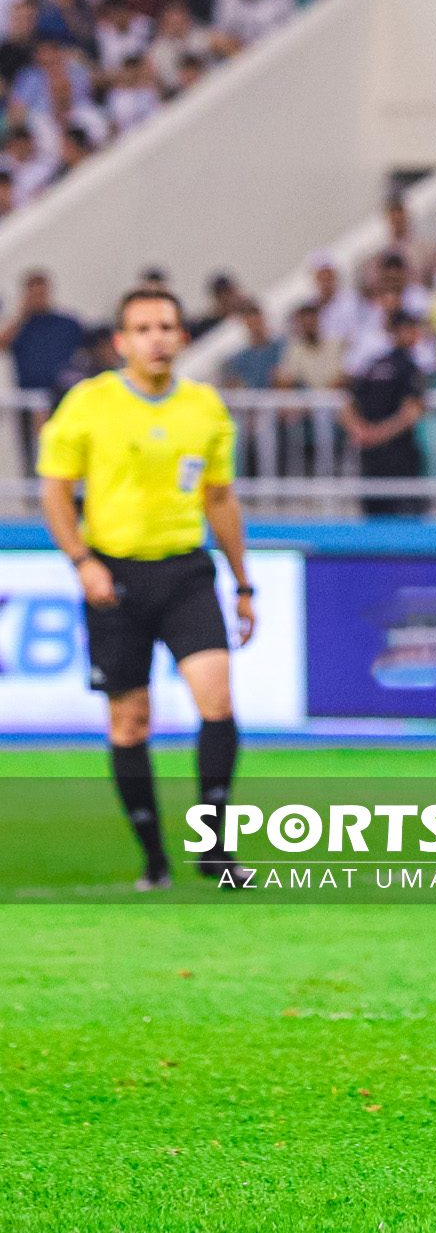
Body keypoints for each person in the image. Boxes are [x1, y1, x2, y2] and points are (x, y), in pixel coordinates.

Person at [35, 289, 256, 890]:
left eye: (167, 326)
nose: (157, 337)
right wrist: (81, 560)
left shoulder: (205, 408)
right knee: (130, 724)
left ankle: (215, 850)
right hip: (115, 576)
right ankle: (154, 858)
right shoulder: (88, 405)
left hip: (186, 571)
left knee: (218, 703)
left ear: (182, 337)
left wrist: (242, 583)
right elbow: (55, 491)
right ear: (122, 342)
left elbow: (219, 497)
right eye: (143, 328)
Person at [342, 310, 429, 517]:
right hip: (394, 457)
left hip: (381, 454)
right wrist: (367, 433)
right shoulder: (405, 367)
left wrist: (365, 433)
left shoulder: (374, 365)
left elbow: (347, 404)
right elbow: (412, 412)